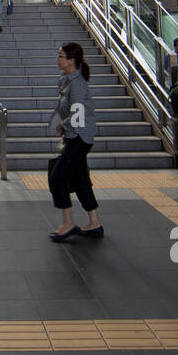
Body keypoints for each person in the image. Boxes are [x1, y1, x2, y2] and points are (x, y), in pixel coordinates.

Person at [48, 42, 102, 241]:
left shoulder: (77, 83)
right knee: (80, 181)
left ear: (71, 61)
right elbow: (62, 108)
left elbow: (77, 114)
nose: (58, 59)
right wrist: (58, 124)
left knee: (57, 178)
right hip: (75, 136)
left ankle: (68, 223)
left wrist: (63, 126)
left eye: (61, 56)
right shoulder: (66, 80)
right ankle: (95, 222)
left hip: (79, 138)